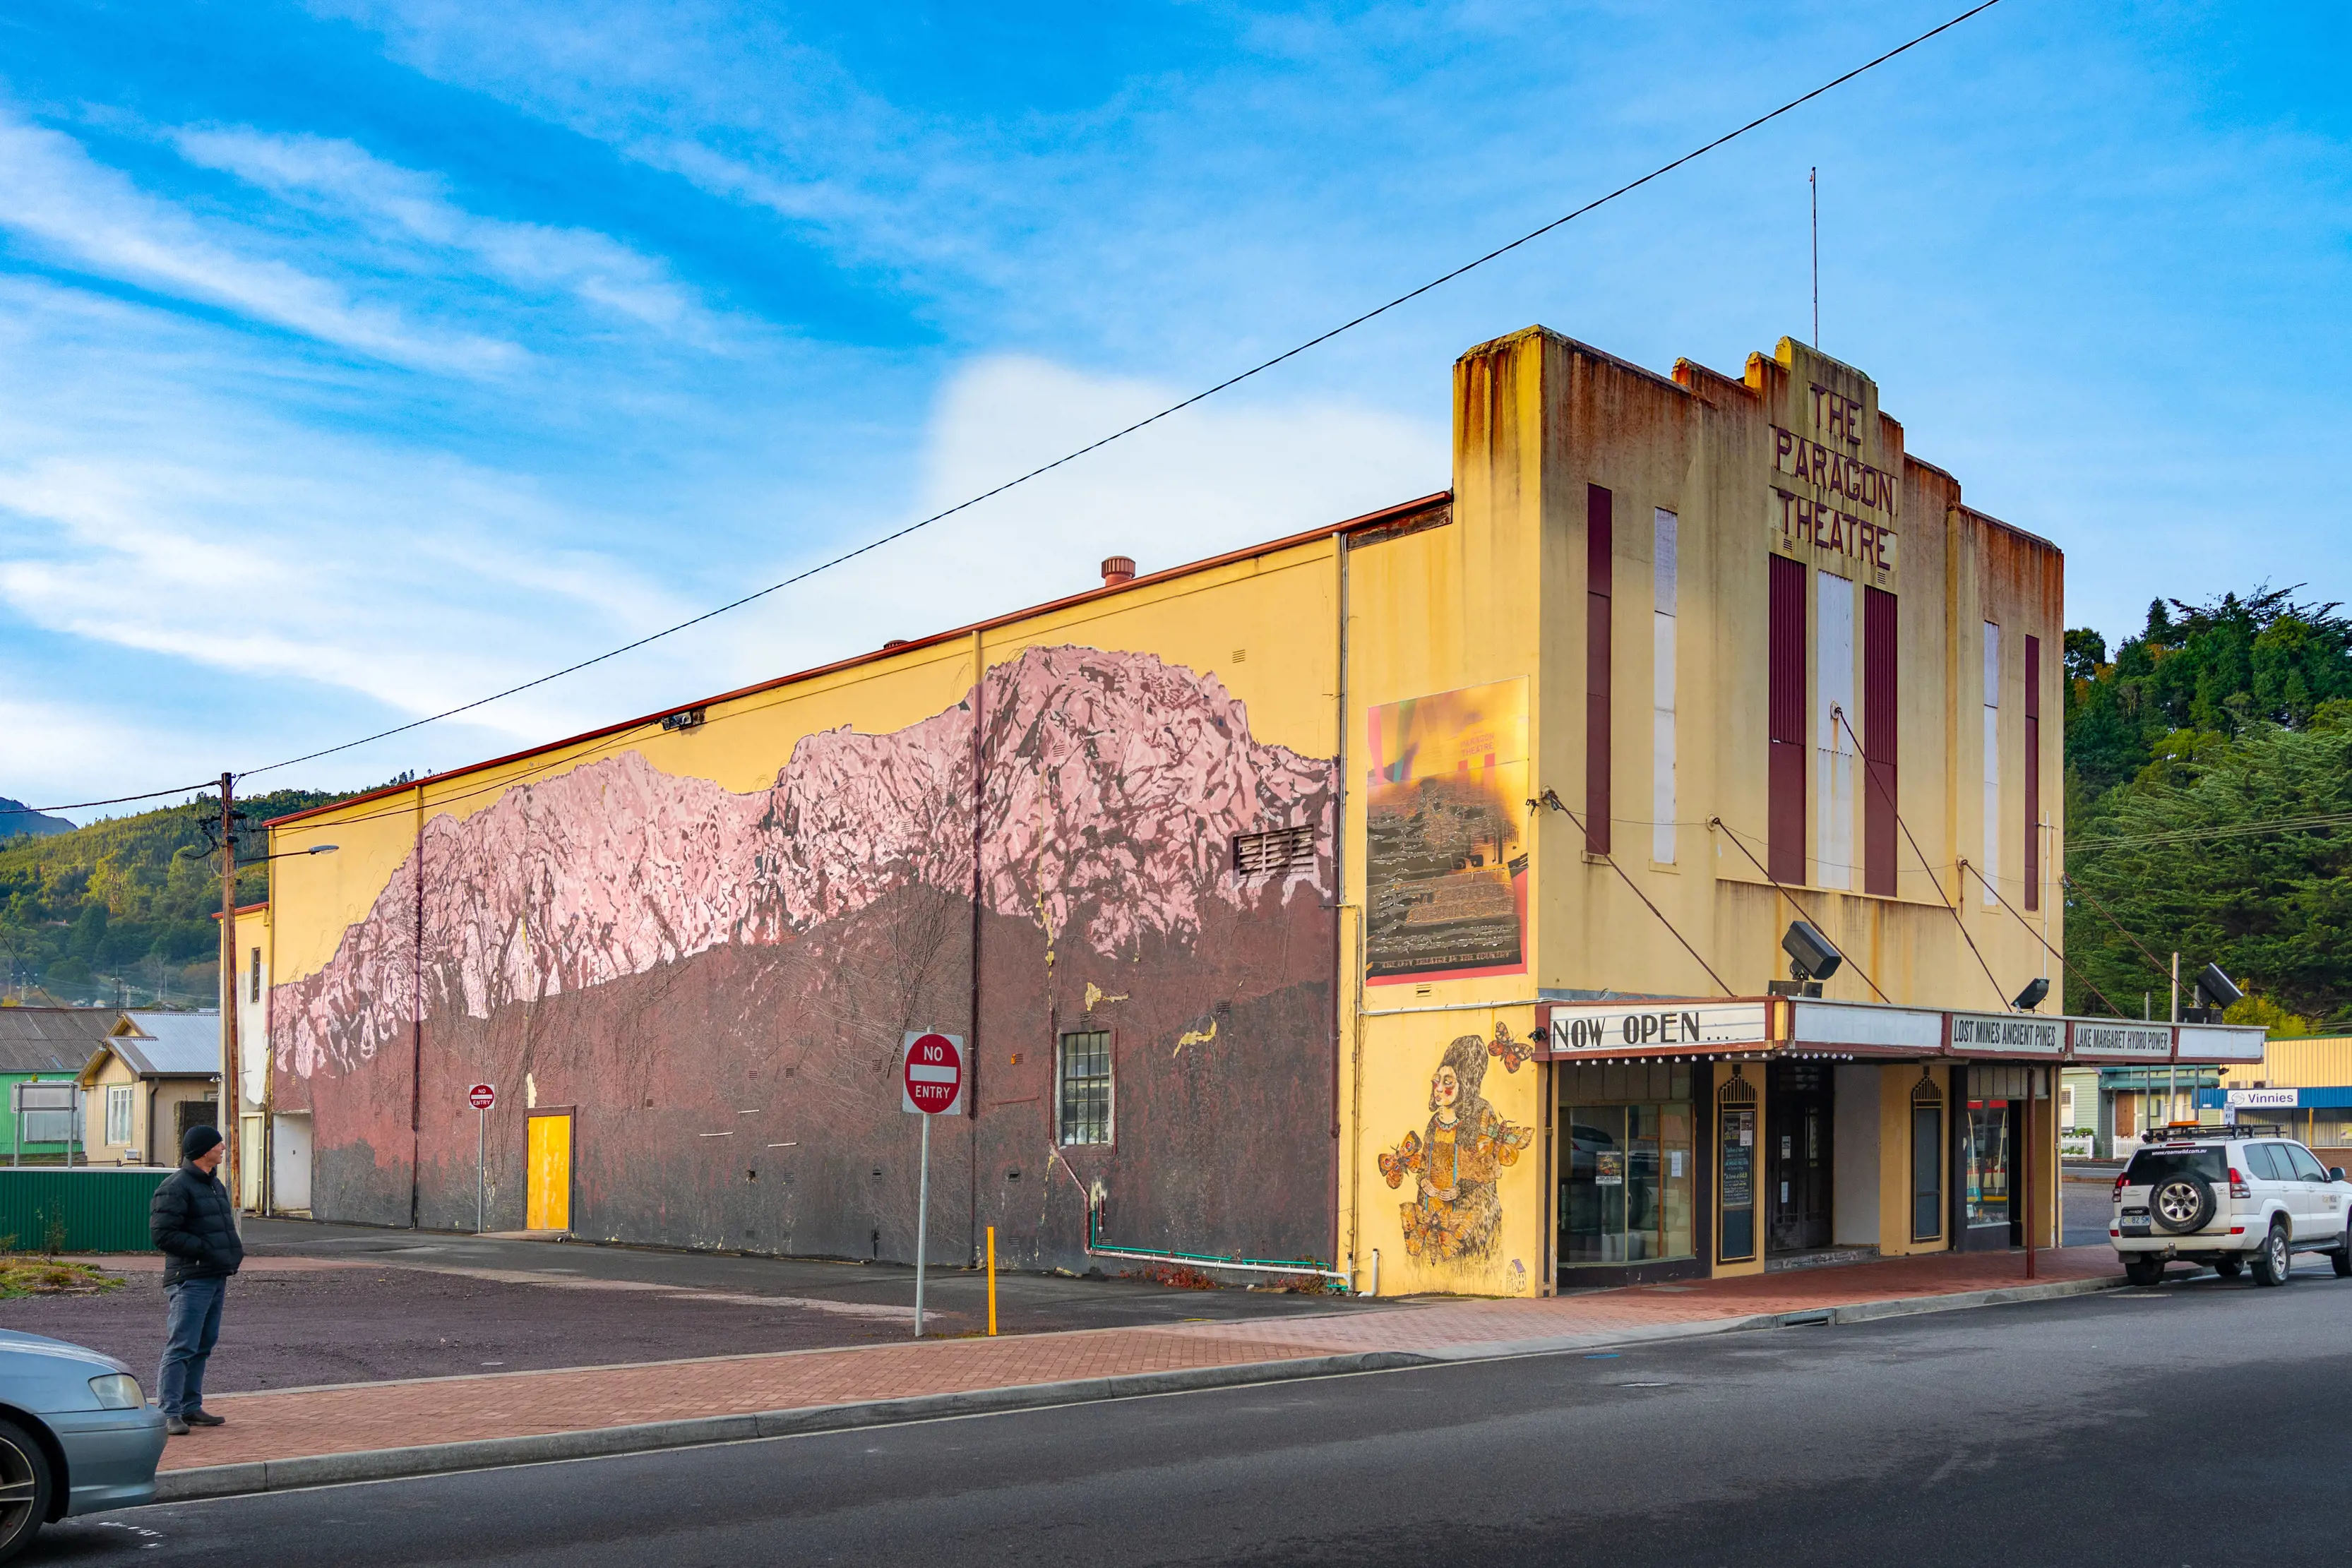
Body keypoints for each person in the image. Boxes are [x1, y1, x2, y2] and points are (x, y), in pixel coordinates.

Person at [148, 1123, 244, 1437]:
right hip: (190, 1280)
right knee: (182, 1344)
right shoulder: (175, 1186)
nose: (223, 1148)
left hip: (214, 1275)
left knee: (203, 1344)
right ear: (205, 1150)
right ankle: (169, 1411)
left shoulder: (214, 1184)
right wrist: (204, 1251)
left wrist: (227, 1256)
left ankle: (191, 1407)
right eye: (219, 1144)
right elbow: (163, 1234)